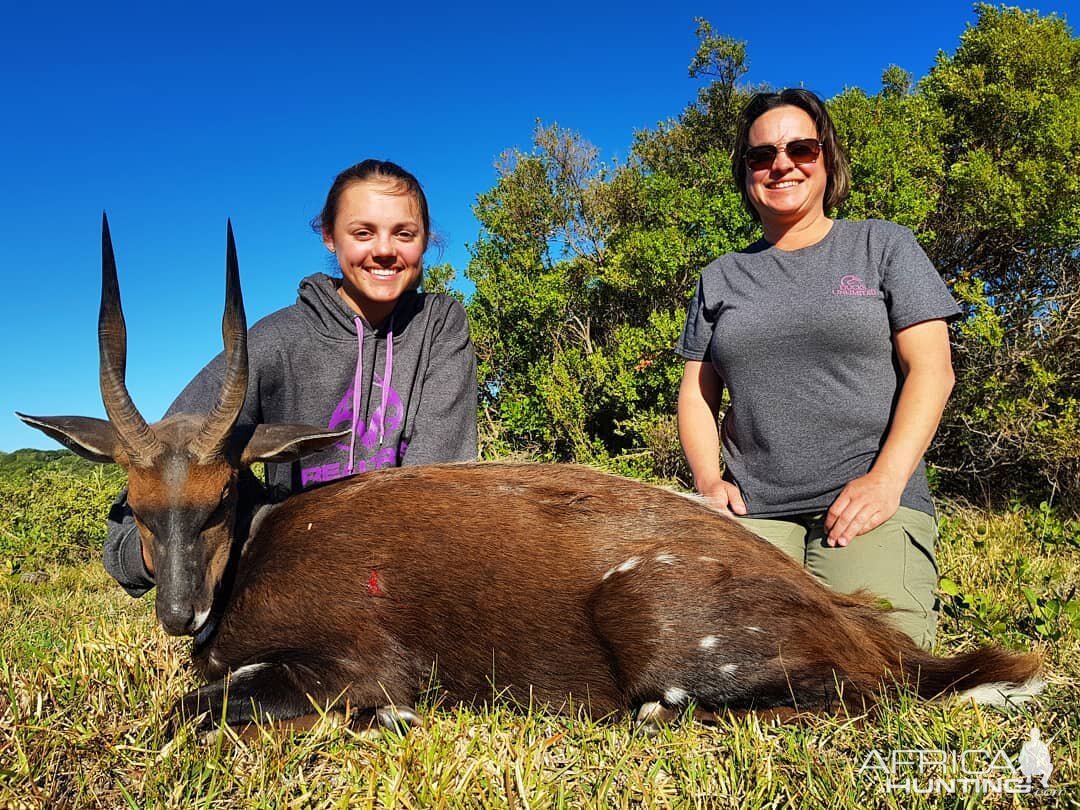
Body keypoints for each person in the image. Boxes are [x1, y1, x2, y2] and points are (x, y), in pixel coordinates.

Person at [105, 159, 478, 596]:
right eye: (363, 232)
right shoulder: (275, 340)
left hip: (402, 569)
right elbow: (157, 473)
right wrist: (156, 553)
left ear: (425, 241)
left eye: (403, 233)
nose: (383, 250)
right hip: (290, 574)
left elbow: (433, 495)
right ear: (329, 235)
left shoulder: (440, 326)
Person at [676, 89, 959, 649]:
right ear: (747, 173)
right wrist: (709, 483)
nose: (782, 164)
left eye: (800, 148)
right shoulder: (720, 277)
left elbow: (933, 368)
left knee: (875, 661)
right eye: (762, 155)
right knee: (734, 656)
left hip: (868, 498)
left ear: (827, 159)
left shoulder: (883, 246)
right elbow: (696, 394)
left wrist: (886, 481)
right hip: (753, 511)